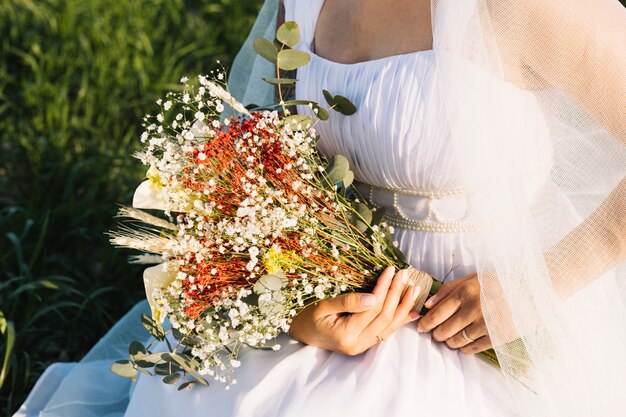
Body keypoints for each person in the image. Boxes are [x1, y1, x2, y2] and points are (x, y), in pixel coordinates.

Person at [15, 0, 626, 416]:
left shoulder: (527, 7)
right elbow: (256, 158)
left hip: (482, 310)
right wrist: (292, 307)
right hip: (327, 279)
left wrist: (532, 287)